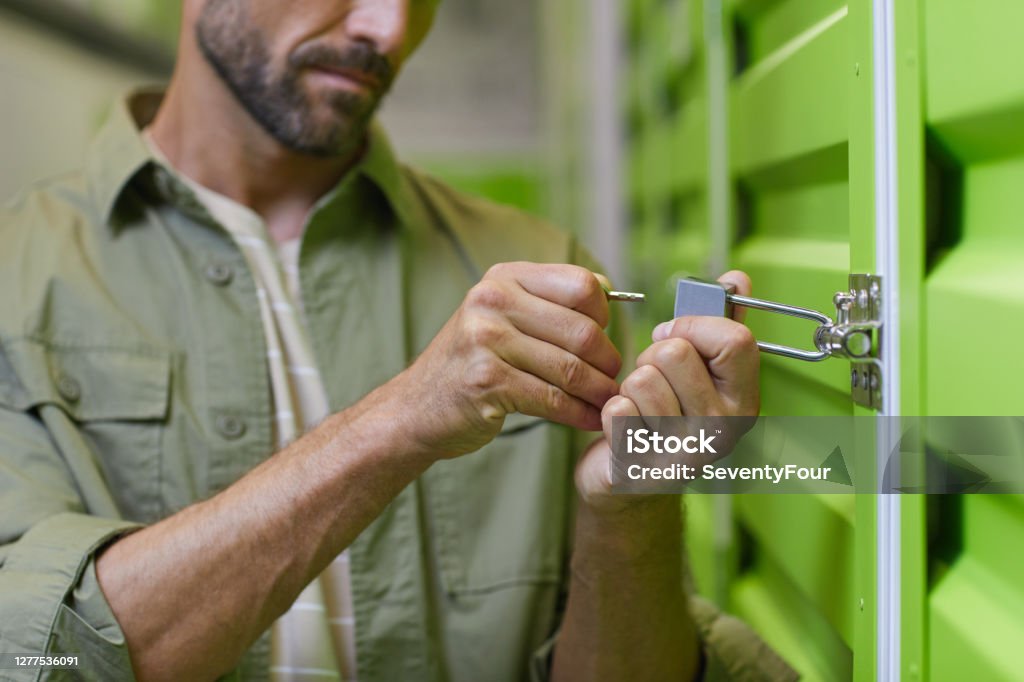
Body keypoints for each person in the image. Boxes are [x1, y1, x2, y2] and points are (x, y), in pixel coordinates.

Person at [0, 1, 795, 680]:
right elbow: (35, 659)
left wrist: (629, 511)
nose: (388, 29)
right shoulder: (16, 283)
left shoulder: (551, 274)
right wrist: (402, 420)